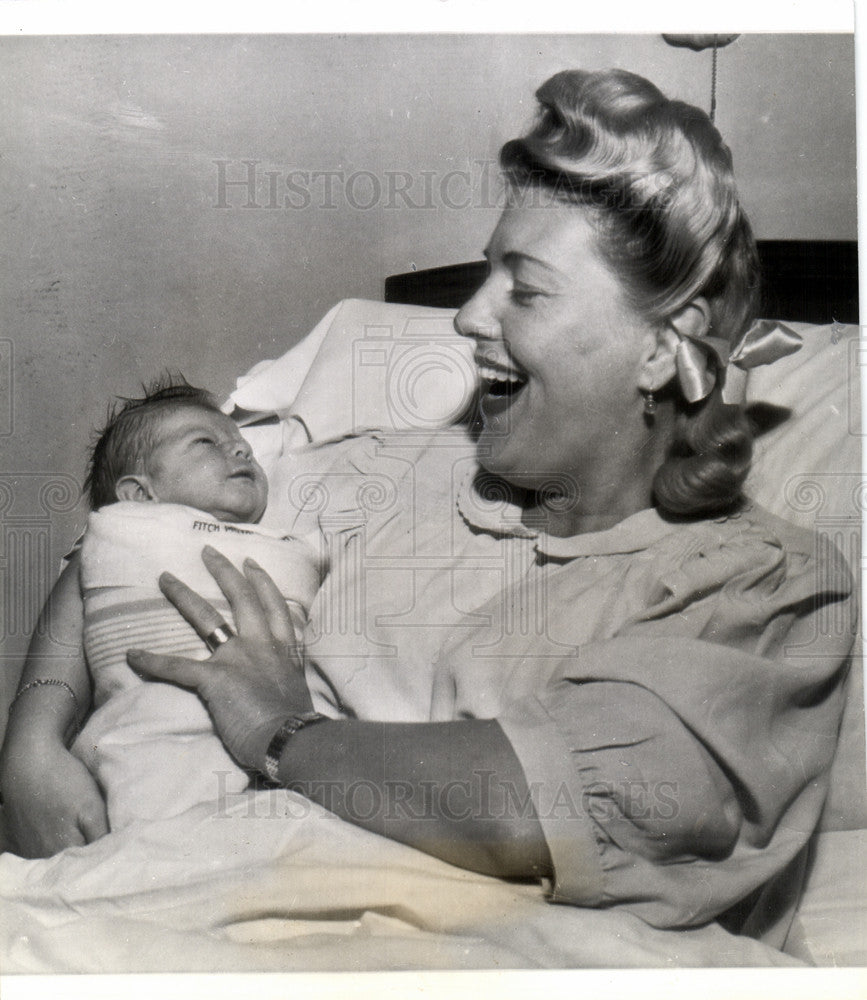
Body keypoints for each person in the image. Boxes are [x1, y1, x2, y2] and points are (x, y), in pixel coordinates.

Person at [1, 69, 855, 934]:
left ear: (657, 349)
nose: (466, 318)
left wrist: (278, 729)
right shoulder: (393, 473)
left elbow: (533, 809)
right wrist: (33, 738)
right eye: (484, 276)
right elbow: (135, 536)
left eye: (522, 288)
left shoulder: (757, 587)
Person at [1, 380, 322, 837]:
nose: (242, 454)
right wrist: (31, 743)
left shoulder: (287, 542)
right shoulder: (122, 531)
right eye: (207, 443)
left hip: (281, 740)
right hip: (151, 729)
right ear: (139, 494)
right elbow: (78, 591)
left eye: (245, 447)